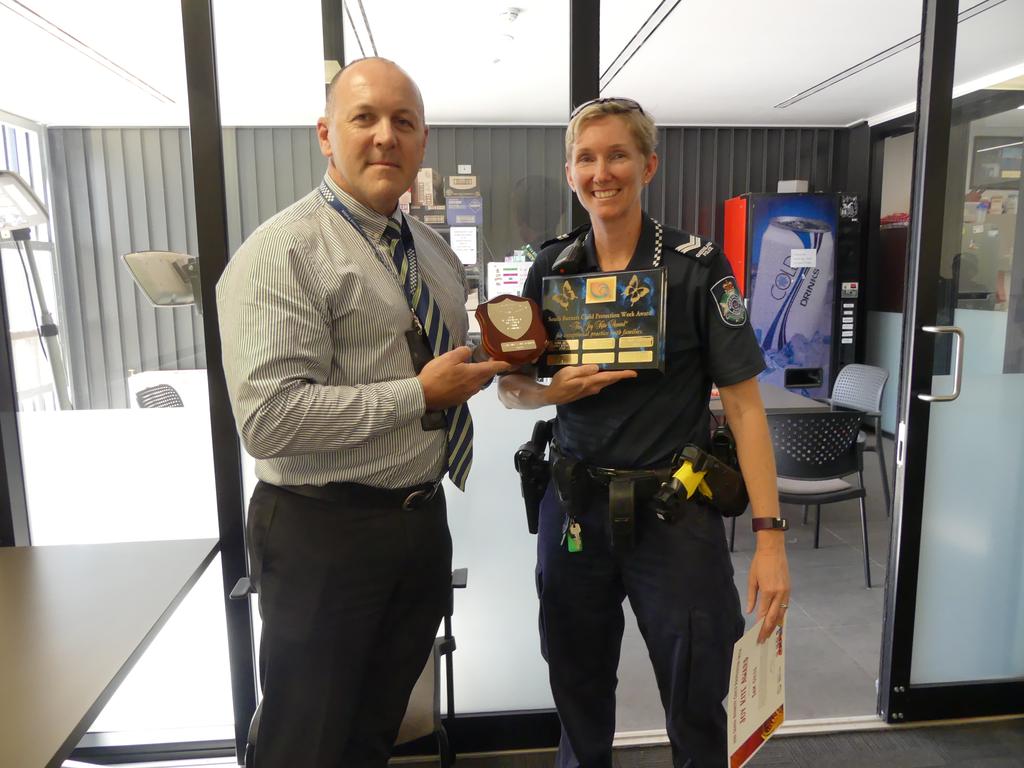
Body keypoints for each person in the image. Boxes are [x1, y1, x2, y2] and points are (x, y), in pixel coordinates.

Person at [217, 57, 508, 767]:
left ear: (423, 142)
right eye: (364, 118)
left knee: (374, 732)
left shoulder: (433, 253)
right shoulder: (282, 252)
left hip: (416, 525)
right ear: (326, 134)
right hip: (323, 535)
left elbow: (438, 355)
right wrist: (419, 395)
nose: (385, 137)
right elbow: (270, 419)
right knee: (303, 742)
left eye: (403, 122)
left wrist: (521, 362)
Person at [497, 98, 791, 768]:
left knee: (695, 696)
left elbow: (745, 408)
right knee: (576, 690)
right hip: (574, 511)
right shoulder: (550, 272)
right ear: (570, 173)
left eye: (618, 154)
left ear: (648, 164)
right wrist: (549, 391)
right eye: (586, 157)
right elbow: (510, 386)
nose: (603, 171)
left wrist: (771, 541)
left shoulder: (697, 268)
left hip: (674, 514)